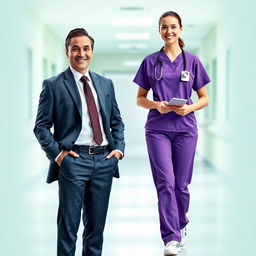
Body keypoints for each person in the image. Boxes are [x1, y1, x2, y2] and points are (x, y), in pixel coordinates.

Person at [34, 28, 125, 256]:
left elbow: (117, 122)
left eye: (86, 48)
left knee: (96, 229)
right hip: (73, 161)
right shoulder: (53, 85)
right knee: (68, 227)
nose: (81, 53)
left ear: (92, 52)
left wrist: (118, 151)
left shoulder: (105, 84)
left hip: (104, 160)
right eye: (75, 48)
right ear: (67, 52)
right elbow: (41, 127)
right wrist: (59, 155)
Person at [133, 11, 211, 255]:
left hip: (186, 129)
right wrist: (158, 105)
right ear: (159, 30)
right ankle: (171, 238)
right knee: (165, 183)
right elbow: (140, 99)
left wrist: (188, 108)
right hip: (157, 129)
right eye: (164, 27)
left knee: (181, 184)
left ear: (181, 29)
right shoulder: (150, 62)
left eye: (173, 27)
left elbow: (205, 99)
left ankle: (181, 222)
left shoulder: (193, 61)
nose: (169, 31)